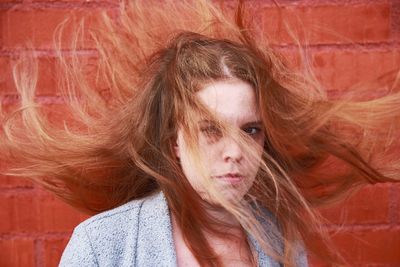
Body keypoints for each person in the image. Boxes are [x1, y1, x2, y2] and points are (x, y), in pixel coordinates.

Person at [1, 1, 399, 266]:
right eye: (210, 130)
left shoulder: (281, 244)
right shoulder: (104, 246)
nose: (235, 152)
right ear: (174, 141)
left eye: (251, 130)